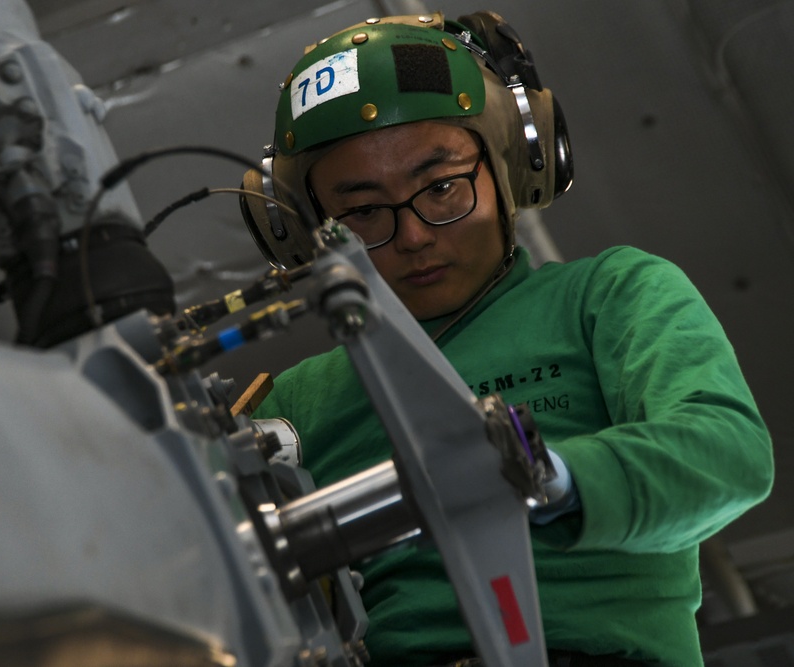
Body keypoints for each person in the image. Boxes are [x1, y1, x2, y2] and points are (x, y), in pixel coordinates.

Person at [242, 10, 774, 667]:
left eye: (441, 188)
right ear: (303, 230)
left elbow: (729, 456)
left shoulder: (609, 295)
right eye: (362, 212)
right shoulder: (294, 401)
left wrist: (558, 476)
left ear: (515, 164)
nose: (412, 236)